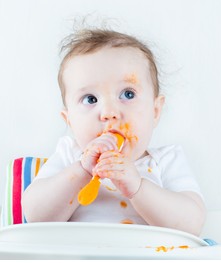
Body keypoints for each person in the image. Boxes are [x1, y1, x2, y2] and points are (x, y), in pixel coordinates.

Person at [22, 28, 206, 236]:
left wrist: (137, 187)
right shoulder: (69, 156)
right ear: (70, 121)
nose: (109, 113)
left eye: (128, 94)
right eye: (91, 99)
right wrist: (82, 170)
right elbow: (35, 215)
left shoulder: (165, 160)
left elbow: (192, 224)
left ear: (155, 111)